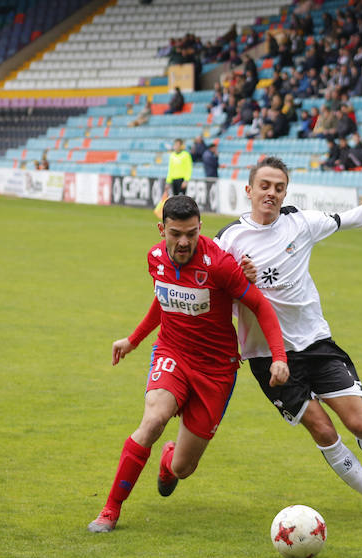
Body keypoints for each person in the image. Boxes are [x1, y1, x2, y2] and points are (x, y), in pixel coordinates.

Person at [214, 157, 362, 522]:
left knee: (359, 424)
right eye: (264, 186)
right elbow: (215, 293)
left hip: (315, 342)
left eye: (278, 187)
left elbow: (356, 216)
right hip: (267, 355)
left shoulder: (301, 224)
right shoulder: (228, 240)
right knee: (321, 428)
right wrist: (238, 279)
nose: (271, 193)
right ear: (249, 190)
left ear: (286, 192)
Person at [88, 195, 290, 533]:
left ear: (200, 228)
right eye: (175, 233)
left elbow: (261, 306)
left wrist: (279, 358)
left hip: (216, 370)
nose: (184, 242)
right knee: (153, 420)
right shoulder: (154, 258)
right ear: (162, 229)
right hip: (173, 353)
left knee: (183, 468)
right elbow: (164, 299)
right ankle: (110, 510)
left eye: (191, 233)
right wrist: (134, 340)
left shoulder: (220, 265)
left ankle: (169, 462)